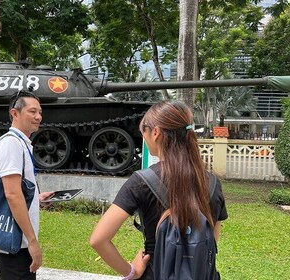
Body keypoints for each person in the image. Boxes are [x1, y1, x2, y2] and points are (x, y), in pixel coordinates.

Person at [90, 101, 228, 279]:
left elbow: (98, 240)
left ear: (156, 133)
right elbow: (211, 240)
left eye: (143, 132)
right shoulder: (212, 183)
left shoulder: (140, 182)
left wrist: (131, 271)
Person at [0, 90, 54, 280]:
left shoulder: (20, 143)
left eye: (40, 112)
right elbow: (12, 194)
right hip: (15, 240)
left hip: (17, 238)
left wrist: (37, 197)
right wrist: (32, 242)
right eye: (32, 112)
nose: (38, 117)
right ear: (14, 113)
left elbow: (16, 190)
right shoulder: (11, 144)